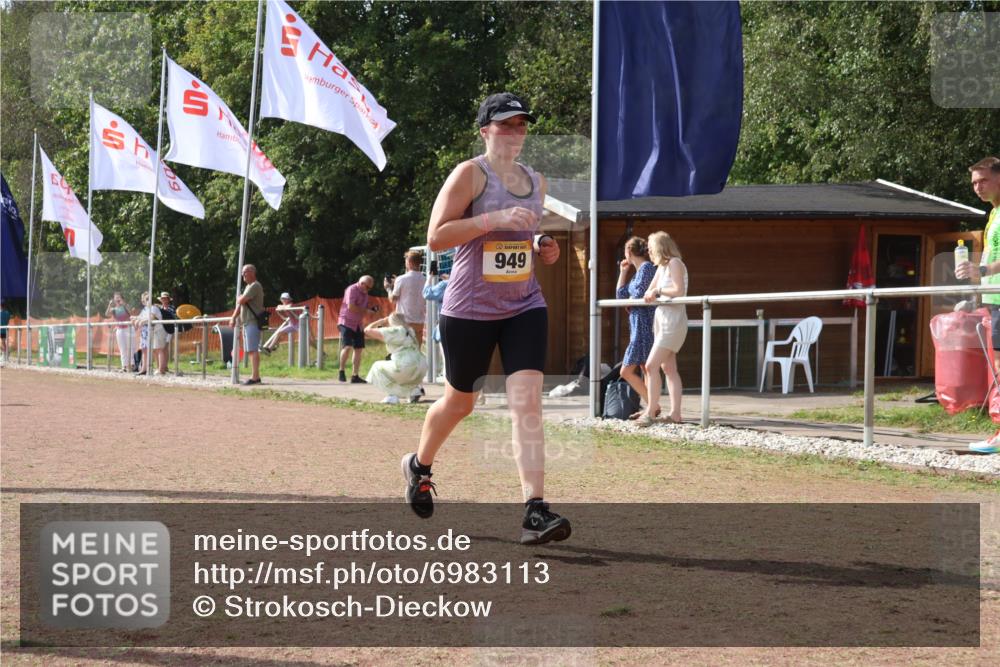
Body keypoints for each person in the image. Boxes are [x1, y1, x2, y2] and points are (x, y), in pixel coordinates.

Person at [400, 92, 571, 546]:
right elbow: (436, 238)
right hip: (470, 310)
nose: (515, 132)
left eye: (521, 124)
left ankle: (534, 510)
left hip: (524, 305)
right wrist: (491, 217)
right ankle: (419, 465)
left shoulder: (537, 181)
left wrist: (541, 248)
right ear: (485, 130)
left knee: (527, 404)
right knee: (460, 403)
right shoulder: (469, 175)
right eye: (505, 124)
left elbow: (526, 236)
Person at [956, 156, 1000, 454]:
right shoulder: (993, 214)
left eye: (983, 180)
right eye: (973, 183)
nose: (977, 187)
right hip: (993, 299)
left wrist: (982, 272)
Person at [637, 231, 689, 426]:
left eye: (651, 249)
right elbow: (649, 291)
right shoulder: (661, 267)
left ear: (660, 248)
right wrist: (654, 291)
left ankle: (651, 411)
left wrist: (657, 291)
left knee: (651, 365)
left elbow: (678, 290)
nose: (649, 253)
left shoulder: (675, 263)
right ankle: (675, 414)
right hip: (661, 319)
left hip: (673, 321)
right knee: (668, 368)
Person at [615, 237, 657, 418]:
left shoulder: (647, 268)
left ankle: (653, 407)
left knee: (626, 371)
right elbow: (621, 295)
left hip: (644, 324)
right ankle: (651, 408)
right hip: (636, 323)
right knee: (645, 367)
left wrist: (630, 302)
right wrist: (623, 272)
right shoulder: (637, 272)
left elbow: (638, 296)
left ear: (629, 252)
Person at [364, 312, 428, 404]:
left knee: (376, 367)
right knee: (405, 377)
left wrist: (380, 321)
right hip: (422, 365)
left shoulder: (395, 331)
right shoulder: (410, 330)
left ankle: (392, 396)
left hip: (406, 364)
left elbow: (367, 330)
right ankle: (414, 392)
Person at [338, 275, 380, 383]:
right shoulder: (351, 289)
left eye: (370, 288)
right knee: (347, 347)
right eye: (368, 287)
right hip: (346, 322)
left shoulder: (365, 294)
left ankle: (355, 375)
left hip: (358, 324)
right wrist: (366, 311)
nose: (369, 290)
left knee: (358, 349)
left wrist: (371, 311)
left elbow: (362, 309)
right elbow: (351, 307)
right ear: (362, 284)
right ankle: (341, 371)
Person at [230, 264, 263, 385]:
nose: (243, 274)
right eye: (242, 272)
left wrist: (239, 297)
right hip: (247, 322)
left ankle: (255, 377)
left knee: (253, 349)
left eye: (245, 272)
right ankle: (255, 375)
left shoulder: (255, 286)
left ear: (252, 273)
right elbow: (240, 304)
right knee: (250, 350)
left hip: (252, 322)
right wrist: (233, 317)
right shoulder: (249, 287)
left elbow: (241, 301)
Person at [133, 292, 167, 375]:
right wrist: (135, 319)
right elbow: (141, 317)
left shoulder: (153, 308)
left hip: (159, 330)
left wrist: (141, 321)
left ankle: (161, 370)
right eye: (146, 299)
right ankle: (152, 369)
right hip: (153, 331)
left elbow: (151, 318)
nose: (148, 301)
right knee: (155, 350)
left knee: (160, 350)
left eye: (149, 299)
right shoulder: (146, 309)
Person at [105, 292, 134, 371]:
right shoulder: (114, 309)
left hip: (128, 328)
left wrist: (123, 303)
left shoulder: (125, 306)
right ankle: (124, 366)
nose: (117, 299)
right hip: (119, 329)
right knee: (122, 348)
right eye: (116, 297)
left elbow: (130, 312)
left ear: (122, 298)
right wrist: (109, 305)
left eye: (119, 297)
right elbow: (107, 314)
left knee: (129, 347)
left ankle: (131, 365)